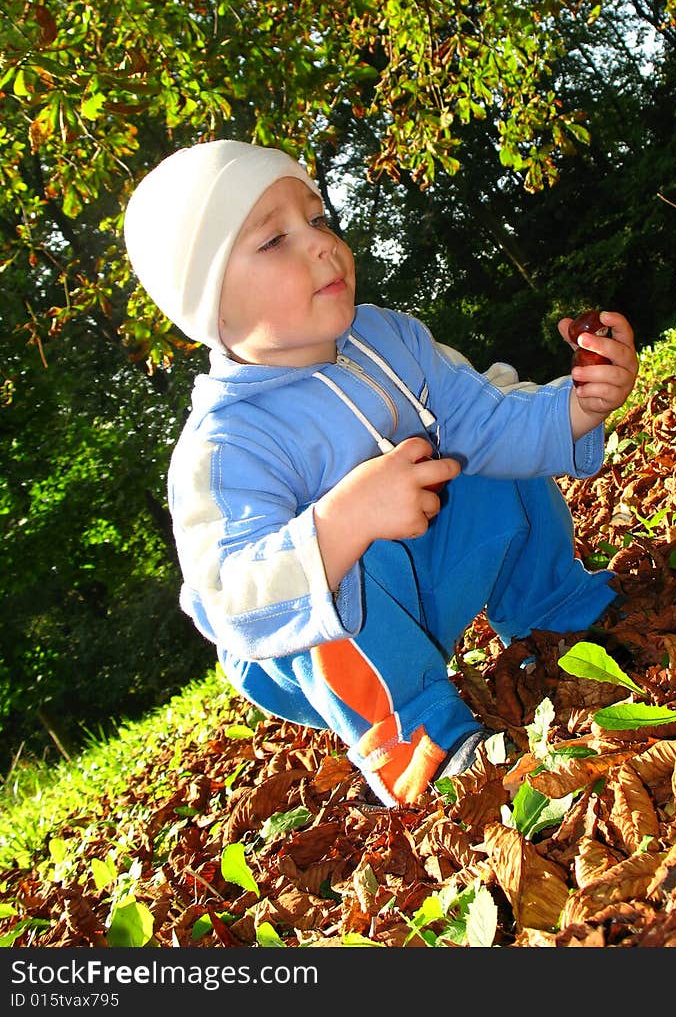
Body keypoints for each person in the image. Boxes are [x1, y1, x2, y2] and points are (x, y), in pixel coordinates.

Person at [123, 139, 639, 808]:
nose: (317, 244)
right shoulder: (225, 446)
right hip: (320, 647)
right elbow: (232, 597)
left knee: (477, 452)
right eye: (273, 239)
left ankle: (557, 618)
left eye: (316, 218)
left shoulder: (388, 339)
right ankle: (418, 743)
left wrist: (577, 406)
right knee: (327, 569)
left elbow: (485, 418)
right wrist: (341, 522)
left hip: (428, 566)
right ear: (212, 308)